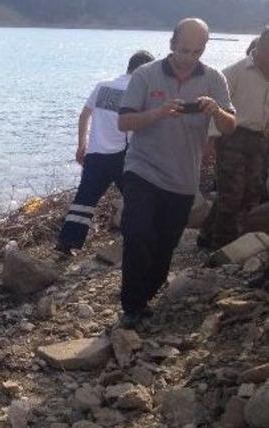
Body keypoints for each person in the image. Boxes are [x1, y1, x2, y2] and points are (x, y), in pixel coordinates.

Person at [116, 18, 236, 328]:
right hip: (142, 169)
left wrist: (215, 112)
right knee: (138, 233)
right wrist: (158, 113)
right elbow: (124, 122)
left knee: (165, 244)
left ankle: (145, 296)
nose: (188, 58)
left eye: (196, 52)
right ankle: (131, 306)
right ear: (172, 44)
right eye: (184, 50)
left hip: (183, 178)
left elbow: (230, 126)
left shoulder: (214, 78)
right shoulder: (146, 74)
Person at [55, 50, 155, 255]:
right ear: (144, 71)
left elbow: (84, 115)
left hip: (96, 153)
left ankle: (66, 243)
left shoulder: (103, 86)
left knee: (84, 200)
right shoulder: (139, 92)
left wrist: (81, 144)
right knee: (137, 197)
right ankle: (141, 238)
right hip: (124, 155)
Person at [198, 29, 269, 250]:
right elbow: (214, 107)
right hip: (233, 136)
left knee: (252, 193)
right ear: (260, 49)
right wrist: (209, 140)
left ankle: (208, 233)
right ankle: (221, 246)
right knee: (232, 193)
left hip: (259, 138)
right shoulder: (235, 72)